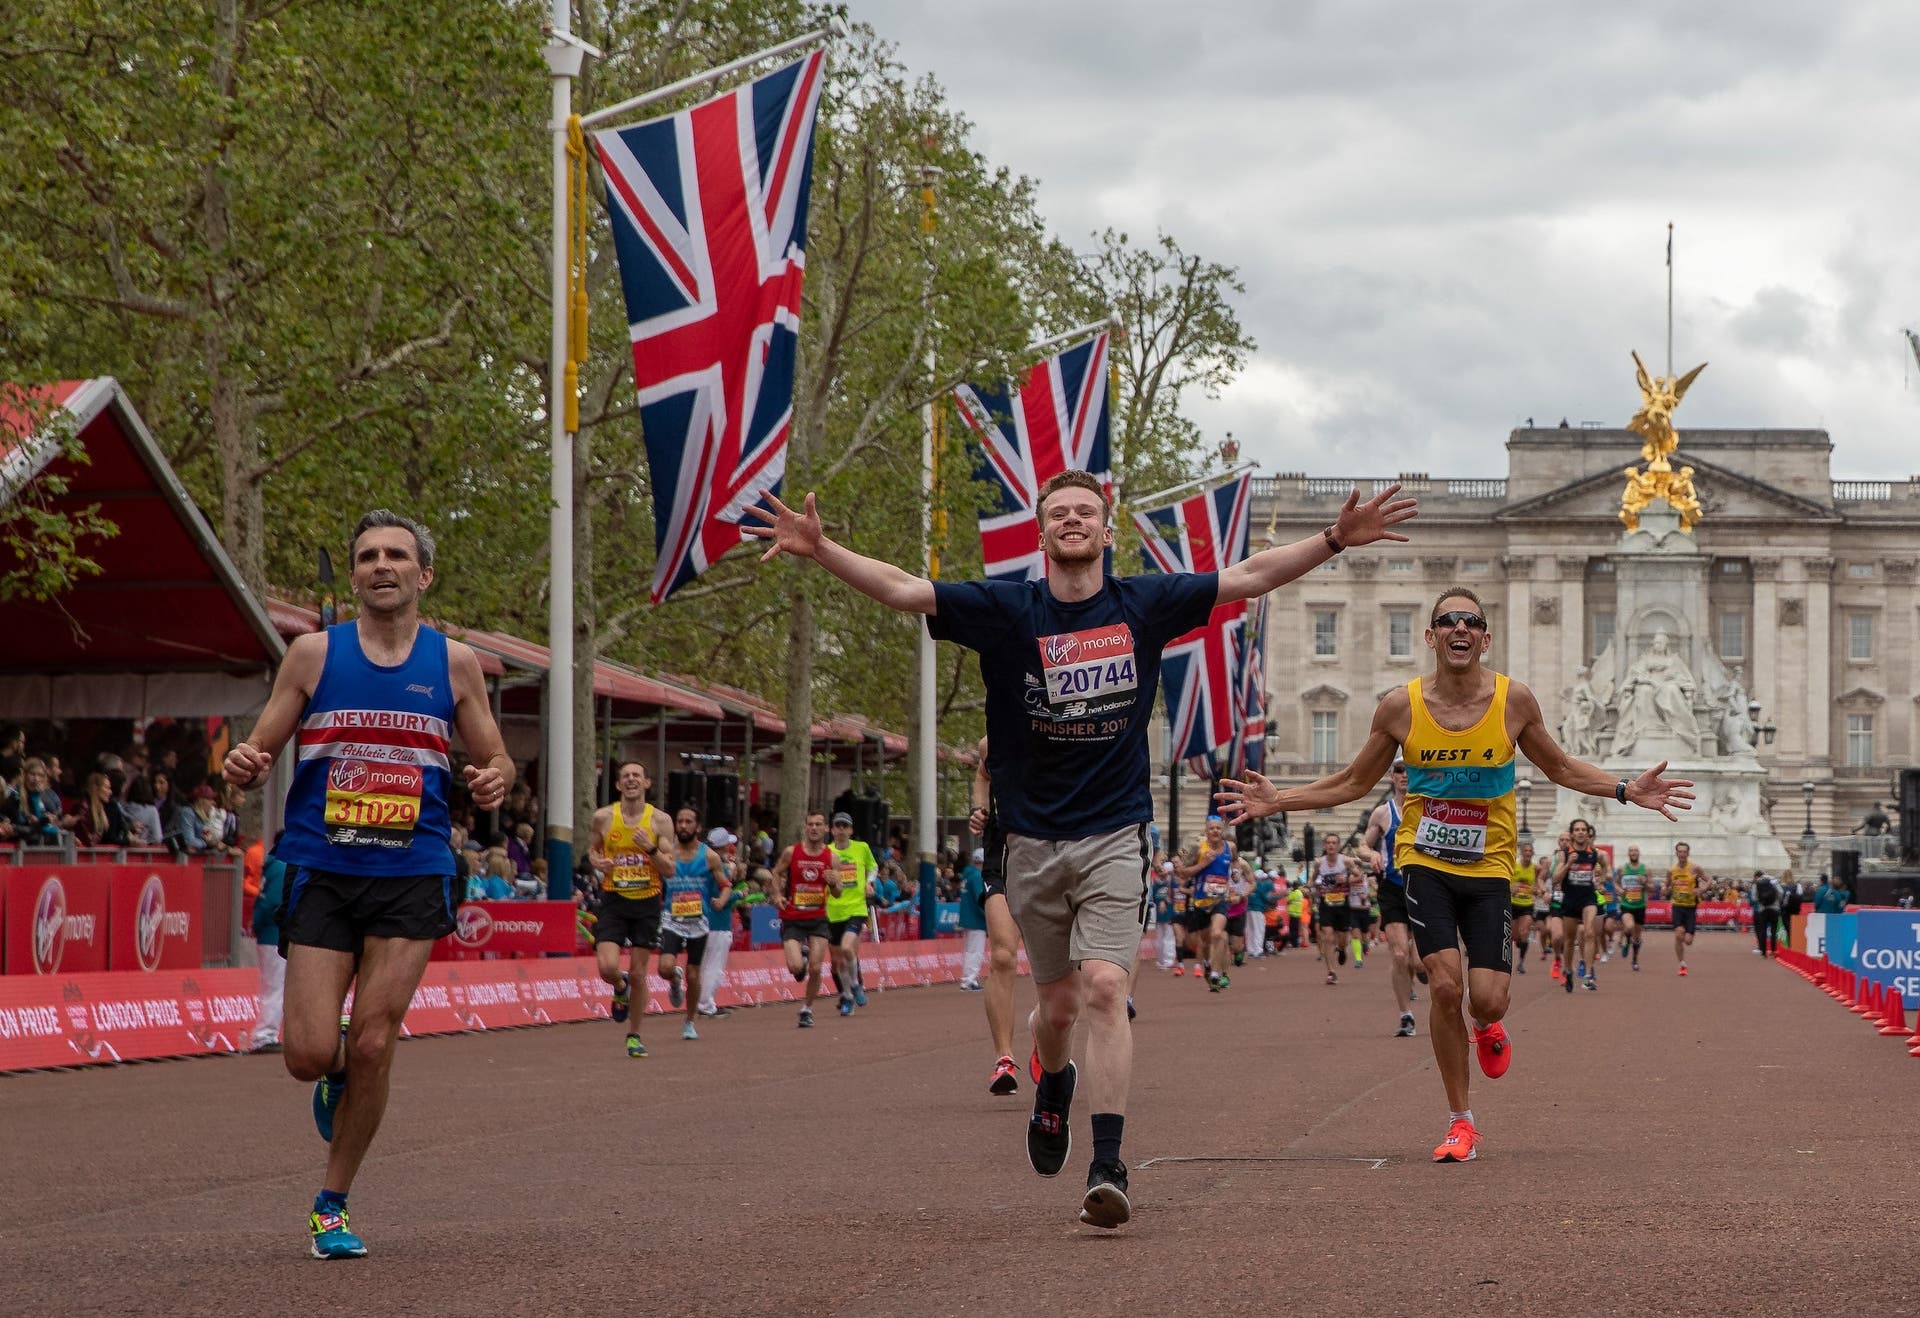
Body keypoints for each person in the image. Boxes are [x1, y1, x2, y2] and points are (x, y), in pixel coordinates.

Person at [744, 467, 1416, 1228]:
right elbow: (904, 589)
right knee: (1056, 1007)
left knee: (1104, 990)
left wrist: (1333, 539)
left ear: (1106, 529)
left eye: (1084, 513)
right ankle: (1053, 1089)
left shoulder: (1144, 601)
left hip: (1115, 834)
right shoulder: (1007, 610)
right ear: (1042, 533)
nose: (1072, 522)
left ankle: (1109, 1163)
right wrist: (822, 547)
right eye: (1058, 513)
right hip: (1031, 841)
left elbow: (1250, 575)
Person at [1218, 587, 1691, 1163]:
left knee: (1486, 999)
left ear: (1485, 638)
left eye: (1471, 621)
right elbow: (1351, 783)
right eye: (1448, 621)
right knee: (1444, 984)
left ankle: (1489, 1026)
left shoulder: (1513, 701)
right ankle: (1460, 1120)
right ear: (1432, 635)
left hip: (1490, 866)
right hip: (1425, 861)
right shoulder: (1401, 706)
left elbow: (1561, 765)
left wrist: (1624, 789)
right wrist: (1279, 800)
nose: (1459, 628)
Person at [221, 509, 512, 1259]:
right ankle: (337, 1073)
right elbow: (259, 744)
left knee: (378, 1041)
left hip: (411, 869)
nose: (381, 565)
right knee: (310, 1055)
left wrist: (491, 780)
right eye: (367, 556)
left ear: (424, 574)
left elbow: (498, 761)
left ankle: (332, 1202)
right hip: (322, 867)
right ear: (353, 575)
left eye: (396, 555)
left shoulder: (455, 664)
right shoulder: (313, 655)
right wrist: (243, 762)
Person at [587, 762, 670, 1058]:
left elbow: (669, 869)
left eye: (637, 775)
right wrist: (597, 862)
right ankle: (618, 986)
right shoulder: (603, 817)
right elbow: (593, 849)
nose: (631, 779)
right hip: (614, 900)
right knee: (607, 967)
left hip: (647, 902)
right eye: (626, 776)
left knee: (639, 974)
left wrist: (650, 849)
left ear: (647, 783)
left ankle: (634, 1035)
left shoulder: (660, 821)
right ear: (619, 786)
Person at [657, 805, 732, 1041]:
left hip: (698, 922)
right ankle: (674, 979)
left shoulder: (709, 856)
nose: (683, 826)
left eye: (689, 822)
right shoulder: (668, 854)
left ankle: (689, 1022)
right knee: (664, 968)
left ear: (697, 827)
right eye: (680, 821)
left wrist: (721, 900)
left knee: (694, 974)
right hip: (672, 919)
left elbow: (725, 884)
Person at [1359, 759, 1422, 1032]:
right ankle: (1405, 1015)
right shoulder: (1383, 814)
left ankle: (1419, 971)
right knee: (1399, 955)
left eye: (1409, 770)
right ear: (1391, 776)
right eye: (1399, 771)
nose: (1404, 775)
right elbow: (1362, 845)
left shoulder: (1428, 808)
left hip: (1424, 888)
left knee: (1420, 961)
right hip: (1393, 888)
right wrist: (1371, 854)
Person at [770, 811, 837, 1028]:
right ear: (805, 827)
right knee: (795, 967)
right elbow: (776, 872)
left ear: (826, 828)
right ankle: (802, 960)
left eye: (819, 824)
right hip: (793, 917)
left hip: (818, 917)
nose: (815, 828)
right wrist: (777, 894)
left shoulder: (831, 857)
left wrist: (834, 882)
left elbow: (838, 893)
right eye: (811, 824)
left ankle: (807, 1009)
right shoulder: (792, 852)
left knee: (817, 968)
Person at [826, 811, 876, 1015]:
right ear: (832, 830)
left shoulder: (861, 848)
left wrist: (870, 883)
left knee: (848, 949)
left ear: (851, 830)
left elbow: (873, 866)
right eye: (838, 826)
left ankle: (855, 984)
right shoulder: (826, 851)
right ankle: (847, 996)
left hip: (856, 907)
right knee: (837, 961)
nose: (841, 830)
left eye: (845, 826)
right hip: (832, 910)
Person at [1552, 818, 1608, 993]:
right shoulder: (1564, 854)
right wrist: (1569, 864)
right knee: (1569, 941)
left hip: (1588, 898)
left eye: (1583, 829)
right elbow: (1555, 879)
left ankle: (1588, 975)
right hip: (1570, 900)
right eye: (1577, 829)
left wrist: (1601, 881)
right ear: (1572, 833)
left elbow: (1606, 867)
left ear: (1587, 832)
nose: (1581, 832)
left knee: (1590, 932)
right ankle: (1568, 970)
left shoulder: (1596, 854)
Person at [696, 827, 742, 1019]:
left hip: (700, 920)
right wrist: (738, 894)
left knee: (703, 965)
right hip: (719, 923)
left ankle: (701, 1001)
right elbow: (721, 900)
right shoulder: (720, 868)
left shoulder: (700, 864)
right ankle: (706, 1003)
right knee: (714, 966)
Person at [251, 834, 290, 1053]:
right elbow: (274, 903)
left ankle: (267, 1033)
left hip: (271, 932)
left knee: (276, 986)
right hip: (274, 934)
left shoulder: (276, 864)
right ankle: (264, 1035)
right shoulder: (282, 865)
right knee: (275, 987)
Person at [1668, 842, 1708, 976]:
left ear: (1688, 853)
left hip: (1691, 907)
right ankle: (1682, 964)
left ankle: (1681, 940)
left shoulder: (1695, 868)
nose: (1682, 854)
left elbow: (1708, 880)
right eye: (1680, 852)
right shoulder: (1672, 870)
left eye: (1685, 852)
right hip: (1677, 906)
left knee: (1688, 941)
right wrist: (1669, 886)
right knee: (1679, 933)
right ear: (1676, 853)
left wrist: (1701, 889)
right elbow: (1665, 887)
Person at [72, 771, 128, 848]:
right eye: (107, 788)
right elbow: (87, 839)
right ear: (95, 788)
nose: (110, 792)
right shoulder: (83, 807)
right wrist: (128, 842)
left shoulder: (105, 808)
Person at [959, 849, 989, 991]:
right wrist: (989, 916)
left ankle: (967, 979)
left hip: (968, 917)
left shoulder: (968, 874)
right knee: (975, 951)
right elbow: (980, 899)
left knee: (970, 950)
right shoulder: (977, 876)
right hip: (976, 919)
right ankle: (969, 980)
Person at [1507, 840, 1538, 975]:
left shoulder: (1536, 868)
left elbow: (1539, 883)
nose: (1528, 853)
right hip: (1513, 904)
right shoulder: (1514, 866)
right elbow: (1505, 881)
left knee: (1525, 931)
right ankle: (1519, 940)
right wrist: (1510, 889)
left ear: (1533, 853)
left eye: (1530, 851)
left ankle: (1521, 962)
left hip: (1527, 905)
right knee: (1514, 936)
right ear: (1521, 852)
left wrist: (1539, 890)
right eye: (1525, 851)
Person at [1617, 845, 1649, 970]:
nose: (1634, 853)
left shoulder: (1645, 869)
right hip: (1626, 905)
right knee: (1629, 927)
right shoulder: (1622, 868)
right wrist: (1618, 889)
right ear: (1628, 853)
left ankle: (1635, 959)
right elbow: (1615, 882)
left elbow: (1651, 887)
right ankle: (1626, 941)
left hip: (1640, 906)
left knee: (1637, 937)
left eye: (1636, 851)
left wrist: (1645, 882)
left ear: (1639, 853)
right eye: (1631, 850)